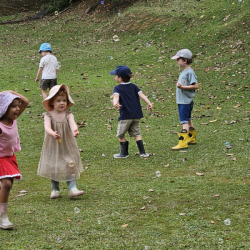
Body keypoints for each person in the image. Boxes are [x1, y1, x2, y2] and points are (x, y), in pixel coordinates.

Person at [37, 84, 84, 199]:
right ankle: (55, 189)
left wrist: (75, 130)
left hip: (67, 143)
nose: (62, 103)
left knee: (70, 163)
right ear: (52, 102)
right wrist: (53, 133)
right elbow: (47, 128)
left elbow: (72, 124)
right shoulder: (48, 115)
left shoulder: (68, 114)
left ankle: (72, 188)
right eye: (58, 101)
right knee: (54, 164)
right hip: (53, 143)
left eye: (64, 100)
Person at [0, 91, 29, 229]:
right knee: (6, 184)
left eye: (17, 106)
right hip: (0, 158)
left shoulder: (14, 119)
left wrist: (10, 93)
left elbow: (26, 101)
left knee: (7, 185)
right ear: (4, 108)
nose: (17, 108)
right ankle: (3, 217)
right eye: (13, 106)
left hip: (10, 157)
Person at [110, 65, 153, 158]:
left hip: (125, 116)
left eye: (115, 76)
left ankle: (124, 153)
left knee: (120, 135)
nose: (114, 77)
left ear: (120, 78)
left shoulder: (117, 88)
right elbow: (142, 95)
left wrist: (115, 103)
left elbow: (116, 96)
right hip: (136, 115)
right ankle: (143, 153)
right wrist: (148, 102)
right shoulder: (134, 86)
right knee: (137, 133)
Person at [171, 49, 198, 150]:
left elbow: (195, 86)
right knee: (189, 119)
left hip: (185, 102)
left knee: (184, 122)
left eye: (178, 60)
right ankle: (192, 138)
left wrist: (182, 87)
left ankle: (183, 143)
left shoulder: (190, 72)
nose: (177, 62)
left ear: (185, 60)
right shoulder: (185, 71)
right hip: (184, 101)